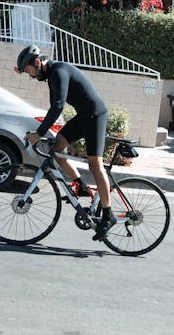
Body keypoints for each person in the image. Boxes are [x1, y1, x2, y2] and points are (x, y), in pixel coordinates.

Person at [14, 44, 116, 241]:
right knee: (57, 147)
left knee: (95, 164)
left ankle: (108, 215)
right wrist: (42, 132)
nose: (31, 76)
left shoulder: (59, 71)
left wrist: (40, 132)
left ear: (37, 63)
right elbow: (54, 106)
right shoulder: (52, 76)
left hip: (96, 116)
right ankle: (81, 185)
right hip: (83, 116)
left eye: (29, 71)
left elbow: (58, 106)